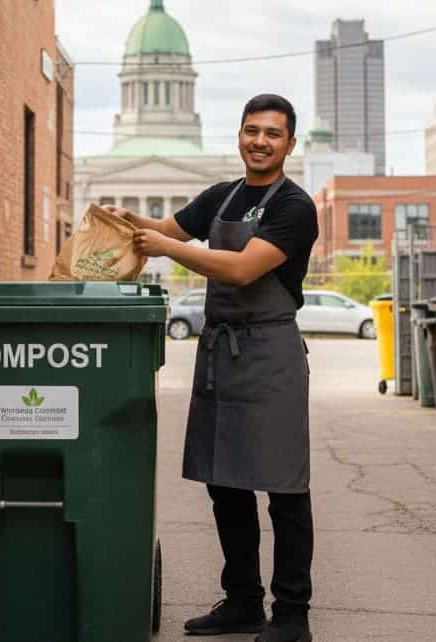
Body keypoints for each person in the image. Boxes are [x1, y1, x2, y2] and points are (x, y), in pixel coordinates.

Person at [106, 94, 318, 642]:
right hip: (220, 354)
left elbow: (244, 269)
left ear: (289, 144)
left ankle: (292, 615)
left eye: (273, 133)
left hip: (270, 355)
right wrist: (120, 223)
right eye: (252, 130)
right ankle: (243, 600)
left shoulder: (294, 207)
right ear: (239, 134)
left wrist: (166, 249)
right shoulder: (220, 197)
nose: (260, 141)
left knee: (285, 487)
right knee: (226, 483)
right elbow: (165, 229)